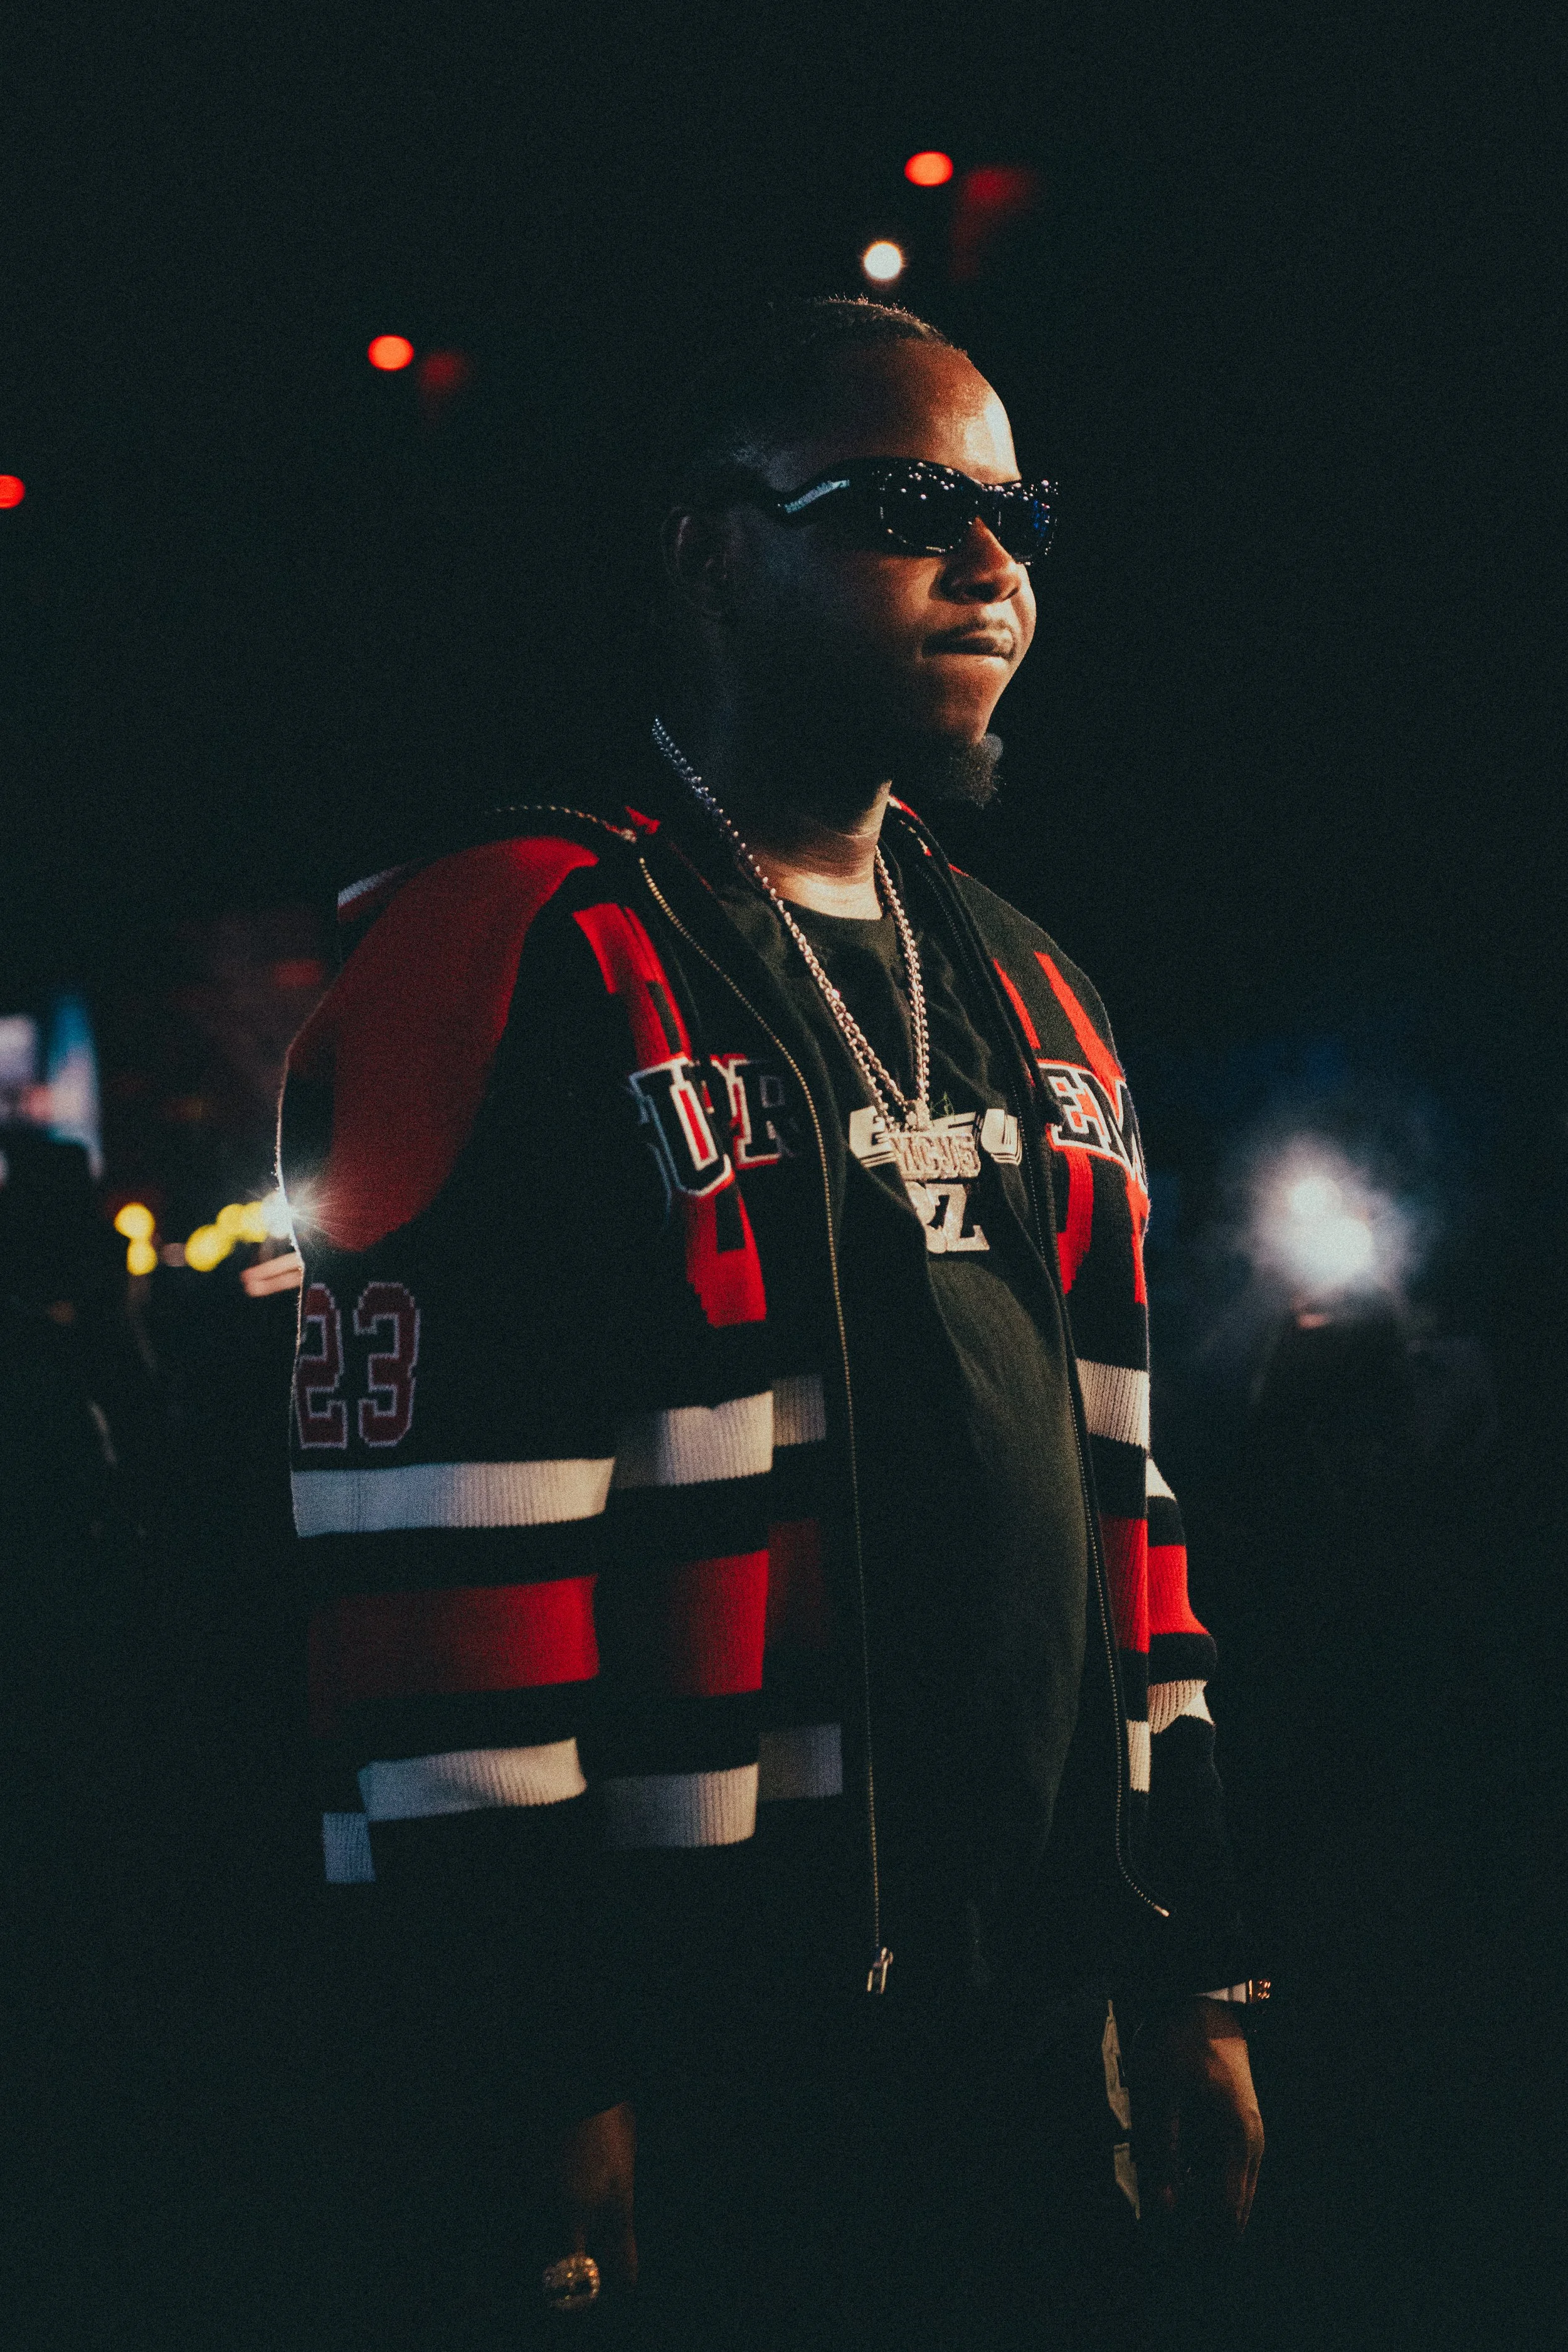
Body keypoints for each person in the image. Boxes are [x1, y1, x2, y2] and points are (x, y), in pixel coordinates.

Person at [280, 297, 1264, 2349]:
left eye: (1018, 515)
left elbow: (1129, 1520)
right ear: (716, 551)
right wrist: (540, 2072)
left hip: (1028, 2018)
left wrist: (1185, 1962)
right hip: (699, 2050)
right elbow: (443, 1568)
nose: (989, 563)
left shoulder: (1031, 981)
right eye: (908, 506)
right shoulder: (516, 941)